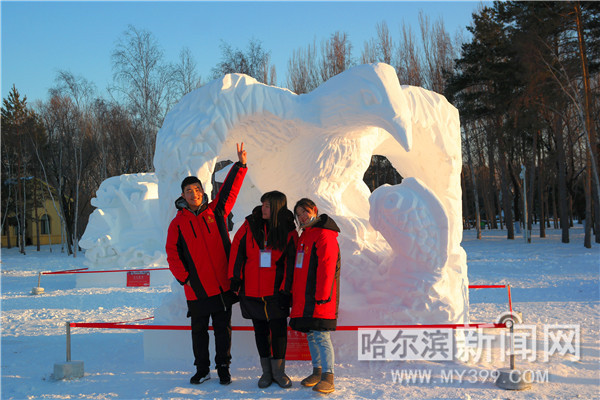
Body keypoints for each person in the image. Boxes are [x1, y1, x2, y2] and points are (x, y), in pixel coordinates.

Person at [165, 143, 247, 385]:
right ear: (183, 195)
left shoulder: (216, 211)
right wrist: (185, 278)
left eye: (197, 189)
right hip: (197, 288)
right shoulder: (177, 224)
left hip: (222, 285)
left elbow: (230, 191)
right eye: (189, 191)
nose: (194, 193)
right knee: (199, 332)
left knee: (223, 330)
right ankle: (202, 369)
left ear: (203, 191)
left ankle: (223, 366)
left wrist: (240, 165)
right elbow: (172, 254)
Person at [228, 191, 298, 388]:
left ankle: (279, 372)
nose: (263, 208)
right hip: (251, 290)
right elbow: (237, 250)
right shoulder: (250, 224)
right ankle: (266, 372)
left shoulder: (289, 231)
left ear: (276, 207)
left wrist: (286, 290)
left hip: (276, 292)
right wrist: (234, 278)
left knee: (278, 331)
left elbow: (291, 263)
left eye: (267, 205)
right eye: (263, 204)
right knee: (260, 331)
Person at [290, 198, 341, 394]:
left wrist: (322, 295)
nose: (302, 216)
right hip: (306, 297)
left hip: (319, 296)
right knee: (312, 335)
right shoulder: (306, 235)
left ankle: (329, 376)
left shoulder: (324, 234)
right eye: (299, 213)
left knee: (321, 336)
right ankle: (317, 371)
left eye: (305, 211)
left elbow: (327, 267)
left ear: (315, 210)